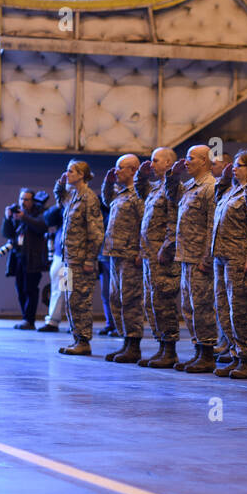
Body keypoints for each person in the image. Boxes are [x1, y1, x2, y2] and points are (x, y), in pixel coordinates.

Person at [211, 150, 247, 379]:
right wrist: (224, 177)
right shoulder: (231, 190)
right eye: (234, 164)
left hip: (237, 257)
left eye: (240, 165)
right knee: (223, 308)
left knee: (240, 310)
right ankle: (234, 353)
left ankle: (246, 358)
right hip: (221, 256)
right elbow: (216, 196)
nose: (235, 168)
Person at [167, 145, 218, 372]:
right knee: (189, 307)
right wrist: (173, 175)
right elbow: (171, 195)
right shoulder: (189, 186)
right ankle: (198, 350)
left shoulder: (210, 187)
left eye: (191, 158)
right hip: (186, 256)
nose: (186, 161)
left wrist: (206, 258)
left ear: (205, 161)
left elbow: (211, 226)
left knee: (202, 306)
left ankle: (207, 354)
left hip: (199, 258)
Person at [134, 147, 182, 367]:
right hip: (149, 254)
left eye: (155, 161)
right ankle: (161, 346)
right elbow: (140, 189)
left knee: (164, 301)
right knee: (152, 302)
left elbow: (174, 221)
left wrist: (167, 246)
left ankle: (170, 349)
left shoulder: (173, 189)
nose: (151, 164)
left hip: (162, 256)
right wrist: (141, 174)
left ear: (168, 164)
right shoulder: (155, 188)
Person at [55, 159, 104, 355]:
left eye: (71, 171)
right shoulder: (73, 196)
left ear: (81, 174)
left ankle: (84, 341)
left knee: (81, 301)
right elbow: (60, 198)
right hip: (68, 260)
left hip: (81, 262)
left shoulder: (89, 198)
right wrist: (59, 184)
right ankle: (76, 338)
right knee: (69, 299)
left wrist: (90, 259)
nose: (67, 174)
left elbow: (96, 233)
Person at [99, 154, 145, 363]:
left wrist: (141, 251)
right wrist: (108, 183)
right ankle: (125, 340)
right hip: (115, 253)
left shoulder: (139, 194)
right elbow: (106, 200)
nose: (116, 171)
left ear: (133, 170)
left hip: (130, 254)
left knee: (131, 301)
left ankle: (134, 345)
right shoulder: (120, 193)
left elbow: (146, 224)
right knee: (116, 299)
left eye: (121, 168)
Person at [1, 187, 48, 328]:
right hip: (19, 257)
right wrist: (7, 218)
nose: (23, 202)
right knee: (20, 288)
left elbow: (41, 227)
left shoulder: (39, 212)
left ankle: (29, 320)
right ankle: (25, 318)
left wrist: (24, 217)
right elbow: (7, 234)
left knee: (31, 289)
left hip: (33, 257)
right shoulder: (16, 214)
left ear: (32, 201)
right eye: (21, 198)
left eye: (26, 199)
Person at [38, 195, 66, 332]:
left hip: (74, 256)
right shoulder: (62, 207)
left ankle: (77, 324)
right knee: (57, 288)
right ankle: (53, 322)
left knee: (73, 291)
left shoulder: (85, 201)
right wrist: (59, 205)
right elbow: (48, 219)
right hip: (60, 254)